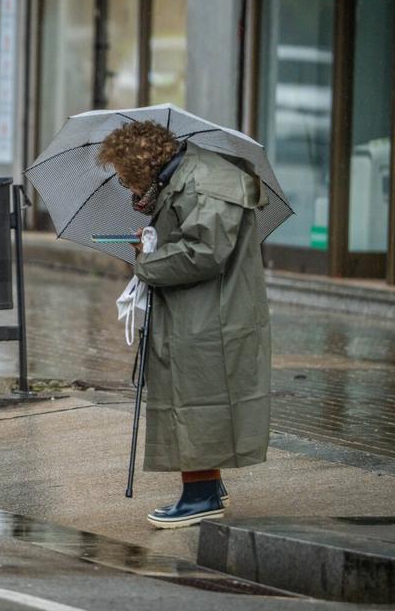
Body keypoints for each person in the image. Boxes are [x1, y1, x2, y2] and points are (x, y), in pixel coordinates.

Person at [97, 120, 271, 529]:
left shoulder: (203, 183)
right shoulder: (185, 179)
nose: (126, 188)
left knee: (197, 396)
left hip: (211, 315)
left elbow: (205, 252)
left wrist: (147, 261)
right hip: (199, 310)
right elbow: (194, 238)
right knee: (191, 395)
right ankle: (207, 484)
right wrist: (154, 241)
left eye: (125, 178)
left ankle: (201, 496)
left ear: (140, 165)